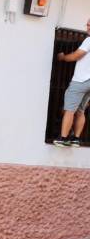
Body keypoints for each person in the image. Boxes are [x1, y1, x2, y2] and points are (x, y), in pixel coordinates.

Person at [54, 18, 90, 147]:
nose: (87, 26)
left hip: (81, 80)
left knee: (69, 110)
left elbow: (76, 56)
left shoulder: (89, 40)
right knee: (80, 111)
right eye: (87, 24)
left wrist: (63, 57)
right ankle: (76, 139)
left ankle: (63, 138)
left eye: (89, 24)